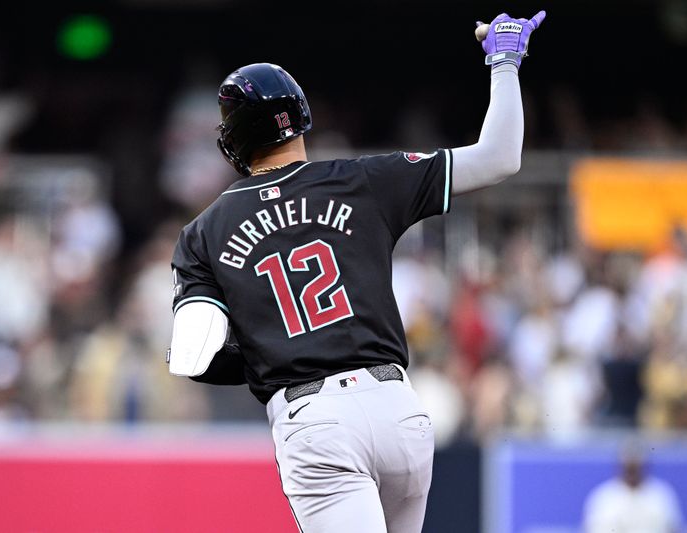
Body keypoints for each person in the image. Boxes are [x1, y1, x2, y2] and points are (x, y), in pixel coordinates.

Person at [167, 11, 545, 533]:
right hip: (396, 406)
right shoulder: (363, 179)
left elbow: (195, 353)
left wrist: (260, 356)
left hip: (312, 416)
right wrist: (504, 63)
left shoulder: (203, 232)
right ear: (300, 117)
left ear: (234, 134)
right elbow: (500, 157)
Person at [582, 444, 683, 533]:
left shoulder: (661, 494)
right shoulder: (603, 497)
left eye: (635, 467)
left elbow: (674, 528)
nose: (632, 472)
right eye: (629, 468)